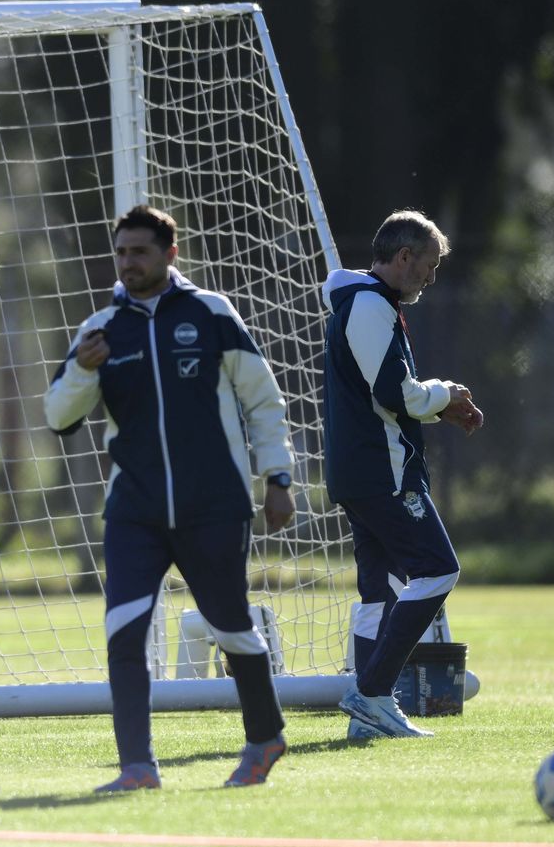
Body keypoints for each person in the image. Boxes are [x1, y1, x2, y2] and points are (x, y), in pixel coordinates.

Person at [44, 205, 295, 792]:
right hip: (134, 511)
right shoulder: (100, 331)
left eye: (140, 252)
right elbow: (58, 416)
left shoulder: (212, 315)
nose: (128, 263)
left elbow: (263, 402)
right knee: (123, 634)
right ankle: (137, 767)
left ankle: (265, 737)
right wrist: (83, 371)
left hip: (215, 507)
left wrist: (277, 478)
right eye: (121, 252)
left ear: (169, 255)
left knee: (232, 630)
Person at [320, 210, 483, 740]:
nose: (431, 278)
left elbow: (394, 392)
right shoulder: (369, 305)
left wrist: (440, 404)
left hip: (363, 472)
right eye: (428, 265)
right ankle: (372, 692)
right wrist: (447, 397)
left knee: (379, 594)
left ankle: (366, 722)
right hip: (382, 472)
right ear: (404, 256)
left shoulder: (370, 303)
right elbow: (397, 395)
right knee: (438, 570)